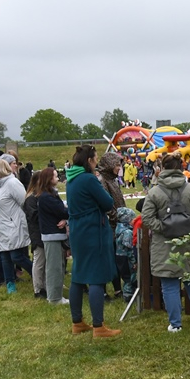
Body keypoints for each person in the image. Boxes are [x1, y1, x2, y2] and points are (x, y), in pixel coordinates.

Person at [142, 153, 190, 332]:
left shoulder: (155, 192)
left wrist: (164, 227)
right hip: (188, 241)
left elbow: (147, 218)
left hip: (164, 244)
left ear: (162, 168)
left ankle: (176, 324)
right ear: (181, 168)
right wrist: (187, 226)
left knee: (169, 284)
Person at [65, 144, 121, 338]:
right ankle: (99, 326)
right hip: (93, 230)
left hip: (77, 231)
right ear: (89, 161)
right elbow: (107, 203)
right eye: (95, 159)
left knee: (78, 276)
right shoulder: (88, 179)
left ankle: (77, 322)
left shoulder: (70, 180)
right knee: (96, 277)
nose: (97, 162)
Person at [0, 159, 33, 294]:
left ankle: (38, 275)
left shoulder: (13, 183)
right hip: (2, 226)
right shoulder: (0, 186)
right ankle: (10, 283)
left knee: (16, 256)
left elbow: (24, 202)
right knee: (5, 256)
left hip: (14, 225)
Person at [37, 167, 70, 305]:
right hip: (52, 235)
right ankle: (54, 298)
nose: (58, 178)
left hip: (55, 235)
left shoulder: (49, 195)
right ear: (49, 179)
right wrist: (65, 216)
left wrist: (65, 219)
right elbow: (62, 211)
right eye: (56, 176)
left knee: (58, 266)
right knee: (54, 267)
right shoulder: (46, 197)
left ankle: (55, 295)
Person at [96, 152, 126, 299]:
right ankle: (103, 290)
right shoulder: (102, 181)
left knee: (116, 257)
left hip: (117, 225)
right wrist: (118, 217)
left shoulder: (113, 180)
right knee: (107, 258)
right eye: (117, 165)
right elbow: (106, 205)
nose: (119, 168)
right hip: (109, 225)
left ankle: (117, 289)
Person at [23, 170, 47, 298]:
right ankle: (38, 288)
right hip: (37, 233)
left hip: (43, 231)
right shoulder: (31, 199)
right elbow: (34, 216)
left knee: (44, 261)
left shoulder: (39, 196)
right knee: (39, 261)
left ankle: (44, 285)